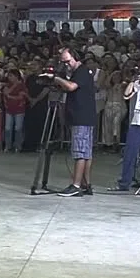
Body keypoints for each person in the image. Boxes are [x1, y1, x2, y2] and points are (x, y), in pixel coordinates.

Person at [43, 48, 97, 197]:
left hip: (82, 117)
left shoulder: (82, 71)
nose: (66, 65)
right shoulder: (78, 72)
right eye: (63, 62)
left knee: (80, 152)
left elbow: (71, 86)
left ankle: (76, 185)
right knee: (86, 152)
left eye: (68, 61)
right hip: (84, 117)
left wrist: (55, 78)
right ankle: (86, 184)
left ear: (76, 57)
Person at [109, 60, 140, 195]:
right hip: (136, 123)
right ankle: (124, 183)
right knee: (129, 153)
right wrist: (133, 80)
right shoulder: (139, 82)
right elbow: (126, 95)